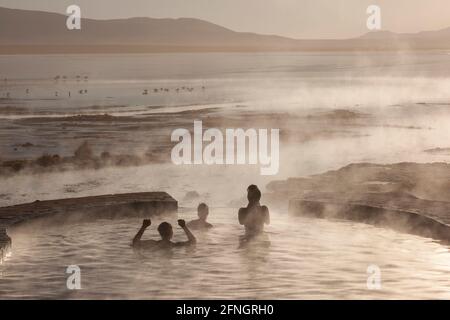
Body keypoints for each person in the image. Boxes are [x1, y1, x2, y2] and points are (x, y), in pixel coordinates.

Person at [132, 219, 196, 249]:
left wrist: (144, 226)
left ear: (159, 232)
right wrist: (184, 226)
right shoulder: (175, 245)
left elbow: (135, 243)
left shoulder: (153, 243)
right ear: (171, 233)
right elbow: (193, 241)